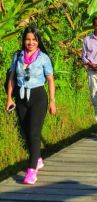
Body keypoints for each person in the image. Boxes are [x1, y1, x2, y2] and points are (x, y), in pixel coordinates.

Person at [6, 25, 57, 185]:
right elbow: (12, 78)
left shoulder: (43, 58)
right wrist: (9, 98)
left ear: (38, 41)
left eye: (34, 39)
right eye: (28, 39)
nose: (30, 42)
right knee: (26, 132)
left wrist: (52, 101)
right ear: (23, 40)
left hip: (38, 97)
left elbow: (50, 80)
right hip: (21, 98)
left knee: (34, 133)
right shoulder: (18, 56)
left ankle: (31, 170)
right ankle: (38, 159)